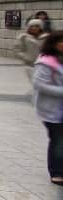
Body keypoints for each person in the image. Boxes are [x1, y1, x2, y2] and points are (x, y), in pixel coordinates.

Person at [32, 31, 63, 186]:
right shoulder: (46, 61)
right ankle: (57, 172)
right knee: (58, 140)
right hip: (53, 110)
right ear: (54, 43)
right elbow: (39, 84)